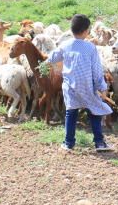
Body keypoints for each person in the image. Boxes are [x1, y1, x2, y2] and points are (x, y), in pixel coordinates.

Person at [47, 14, 113, 152]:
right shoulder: (90, 47)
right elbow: (96, 69)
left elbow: (52, 57)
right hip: (87, 85)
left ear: (72, 30)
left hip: (70, 85)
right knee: (94, 112)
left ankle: (68, 143)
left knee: (71, 112)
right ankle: (99, 143)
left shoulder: (65, 45)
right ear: (86, 31)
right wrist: (102, 86)